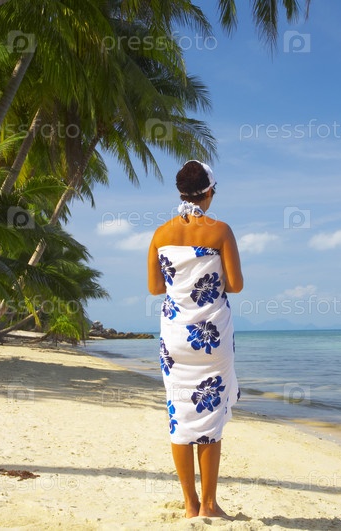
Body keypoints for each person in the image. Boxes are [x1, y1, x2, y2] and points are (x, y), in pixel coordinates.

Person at [147, 160, 244, 519]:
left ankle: (190, 505)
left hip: (175, 337)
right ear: (209, 192)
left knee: (180, 416)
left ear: (181, 192)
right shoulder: (220, 231)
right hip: (212, 337)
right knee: (210, 417)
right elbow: (235, 284)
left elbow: (155, 287)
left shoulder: (160, 235)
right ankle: (209, 505)